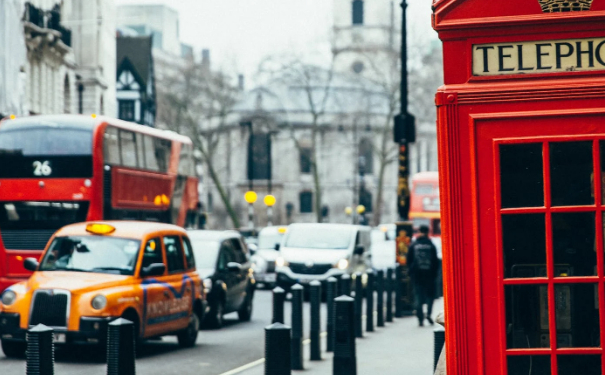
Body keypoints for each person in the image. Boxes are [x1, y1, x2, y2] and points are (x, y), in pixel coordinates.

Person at [407, 224, 439, 326]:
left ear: (420, 232)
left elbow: (409, 260)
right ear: (427, 232)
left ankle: (420, 317)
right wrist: (434, 274)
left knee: (418, 296)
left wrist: (411, 272)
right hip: (429, 275)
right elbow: (435, 261)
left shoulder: (414, 245)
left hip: (417, 275)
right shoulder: (431, 245)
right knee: (430, 296)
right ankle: (428, 314)